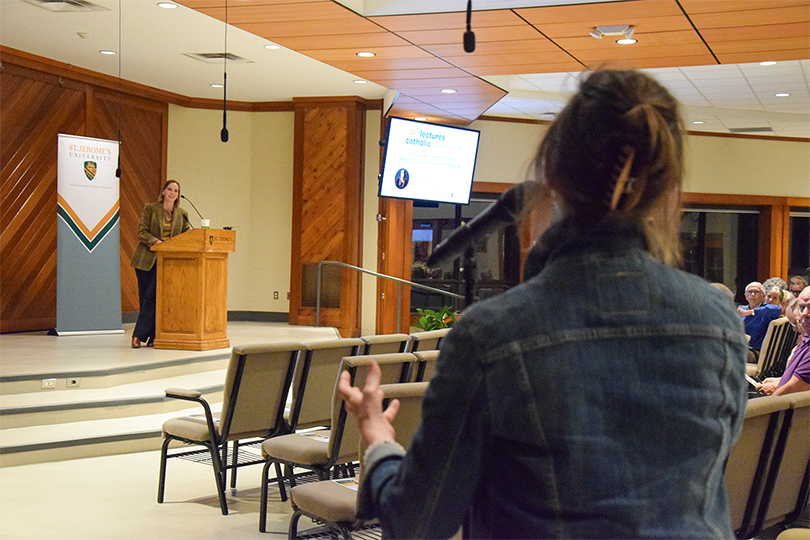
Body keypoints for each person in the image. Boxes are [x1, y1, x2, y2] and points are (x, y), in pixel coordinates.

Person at [339, 69, 748, 540]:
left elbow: (417, 523)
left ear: (551, 171)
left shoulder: (490, 335)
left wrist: (378, 440)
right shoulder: (719, 322)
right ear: (664, 183)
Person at [129, 180, 192, 348]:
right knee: (146, 298)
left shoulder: (182, 214)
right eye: (169, 189)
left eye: (176, 190)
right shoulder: (151, 209)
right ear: (163, 191)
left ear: (178, 195)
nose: (172, 193)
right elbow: (142, 231)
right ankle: (152, 336)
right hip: (146, 260)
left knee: (153, 297)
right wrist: (155, 240)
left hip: (167, 262)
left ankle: (138, 336)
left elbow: (186, 236)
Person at [757, 287, 810, 396]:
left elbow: (790, 391)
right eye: (802, 307)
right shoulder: (806, 339)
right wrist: (779, 382)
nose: (804, 313)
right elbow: (797, 381)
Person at [738, 281, 782, 354]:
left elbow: (777, 309)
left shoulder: (767, 309)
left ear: (763, 295)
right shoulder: (742, 309)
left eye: (756, 292)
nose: (752, 294)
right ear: (745, 295)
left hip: (754, 350)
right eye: (750, 292)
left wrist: (751, 312)